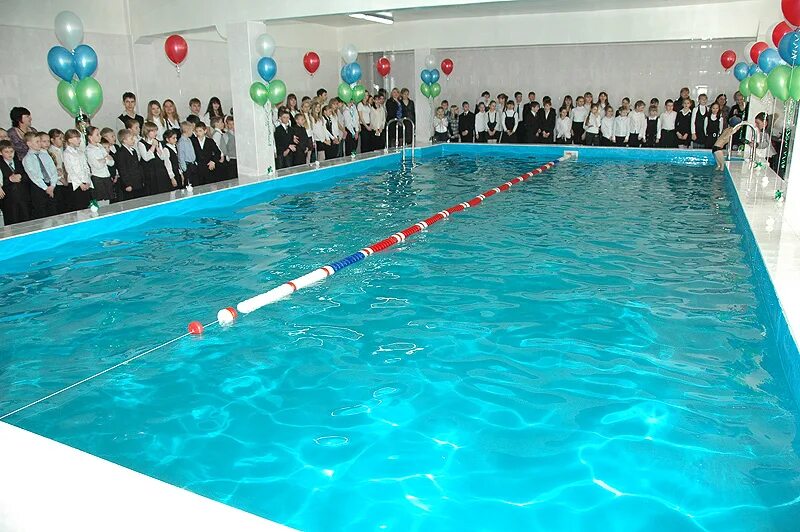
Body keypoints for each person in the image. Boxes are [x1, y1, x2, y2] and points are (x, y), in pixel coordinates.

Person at [22, 132, 58, 218]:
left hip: (51, 186)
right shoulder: (27, 159)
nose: (40, 144)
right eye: (37, 142)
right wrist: (46, 188)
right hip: (39, 188)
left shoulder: (45, 155)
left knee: (53, 212)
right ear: (29, 144)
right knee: (42, 213)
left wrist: (52, 185)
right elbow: (34, 176)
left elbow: (53, 171)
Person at [0, 139, 31, 224]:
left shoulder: (19, 162)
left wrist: (21, 176)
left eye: (11, 151)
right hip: (9, 201)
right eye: (6, 152)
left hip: (23, 198)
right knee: (12, 222)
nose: (10, 154)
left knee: (26, 221)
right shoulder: (1, 165)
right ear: (0, 153)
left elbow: (27, 176)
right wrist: (9, 179)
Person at [62, 129, 93, 210]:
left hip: (85, 182)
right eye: (77, 138)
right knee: (79, 208)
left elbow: (86, 167)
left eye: (79, 138)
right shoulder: (67, 153)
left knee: (88, 206)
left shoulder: (80, 152)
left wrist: (88, 181)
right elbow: (70, 170)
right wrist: (80, 184)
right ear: (70, 140)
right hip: (75, 184)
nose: (79, 140)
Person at [138, 121, 171, 194]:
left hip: (159, 168)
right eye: (153, 131)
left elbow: (162, 157)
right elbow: (146, 158)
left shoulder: (157, 141)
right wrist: (153, 146)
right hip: (150, 170)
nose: (155, 133)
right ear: (147, 132)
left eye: (156, 131)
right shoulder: (141, 143)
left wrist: (157, 147)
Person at [86, 126, 114, 205]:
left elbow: (111, 162)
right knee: (101, 202)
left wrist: (103, 159)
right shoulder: (89, 150)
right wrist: (105, 159)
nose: (100, 136)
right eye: (97, 135)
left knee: (108, 201)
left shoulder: (101, 146)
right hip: (98, 178)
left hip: (106, 176)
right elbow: (97, 166)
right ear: (90, 137)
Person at [116, 129, 145, 199]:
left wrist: (142, 179)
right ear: (124, 140)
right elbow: (123, 170)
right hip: (130, 183)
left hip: (137, 181)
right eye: (131, 139)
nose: (133, 140)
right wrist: (127, 184)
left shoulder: (133, 151)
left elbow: (138, 166)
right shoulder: (121, 153)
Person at [48, 129, 71, 213]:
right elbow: (55, 169)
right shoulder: (51, 152)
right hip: (58, 183)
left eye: (63, 138)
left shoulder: (62, 150)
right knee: (61, 207)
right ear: (52, 140)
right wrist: (63, 180)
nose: (62, 140)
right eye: (60, 138)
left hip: (65, 181)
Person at [177, 121, 198, 187]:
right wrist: (184, 169)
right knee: (189, 184)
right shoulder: (181, 142)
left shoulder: (189, 140)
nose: (192, 132)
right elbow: (181, 156)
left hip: (193, 164)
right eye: (192, 130)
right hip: (187, 166)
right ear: (187, 130)